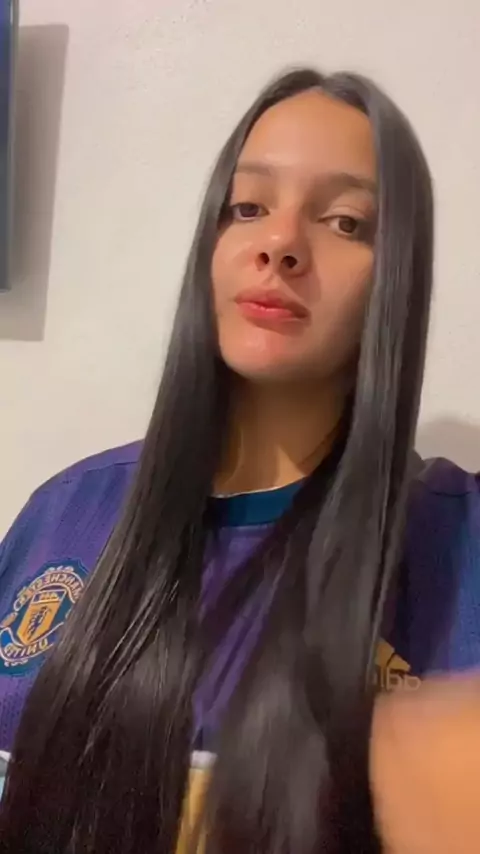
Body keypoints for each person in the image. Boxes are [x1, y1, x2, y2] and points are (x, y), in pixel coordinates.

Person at [0, 66, 479, 854]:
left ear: (398, 272)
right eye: (248, 207)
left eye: (345, 221)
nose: (280, 244)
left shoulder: (457, 548)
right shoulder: (67, 513)